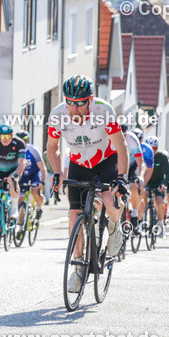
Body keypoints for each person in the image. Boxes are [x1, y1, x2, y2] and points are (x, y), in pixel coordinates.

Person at [46, 75, 129, 294]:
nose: (74, 108)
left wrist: (122, 177)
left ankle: (114, 227)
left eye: (80, 103)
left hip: (106, 160)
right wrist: (57, 172)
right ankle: (78, 266)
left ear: (90, 100)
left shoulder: (104, 111)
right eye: (70, 102)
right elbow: (52, 147)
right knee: (74, 214)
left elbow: (121, 147)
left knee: (110, 202)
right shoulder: (58, 115)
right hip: (79, 163)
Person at [124, 126, 152, 234]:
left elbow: (142, 164)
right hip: (117, 165)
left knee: (134, 186)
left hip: (132, 166)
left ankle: (134, 213)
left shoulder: (132, 139)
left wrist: (141, 178)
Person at [15, 130, 47, 220]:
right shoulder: (14, 151)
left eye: (23, 140)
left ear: (27, 141)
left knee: (35, 191)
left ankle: (39, 208)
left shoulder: (33, 150)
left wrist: (42, 182)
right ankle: (20, 226)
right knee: (20, 199)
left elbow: (42, 168)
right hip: (22, 175)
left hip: (34, 173)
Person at [143, 135, 169, 235]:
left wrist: (164, 184)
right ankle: (143, 218)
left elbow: (167, 173)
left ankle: (161, 223)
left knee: (158, 201)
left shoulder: (162, 157)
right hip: (148, 181)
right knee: (144, 194)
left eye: (154, 148)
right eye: (149, 148)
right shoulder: (143, 155)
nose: (152, 151)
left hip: (159, 181)